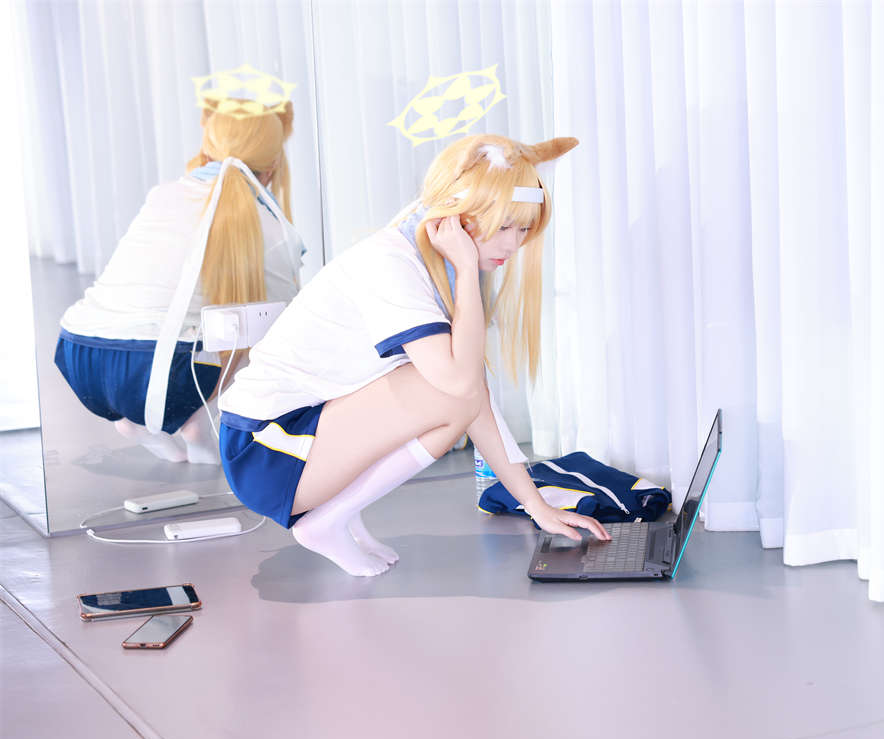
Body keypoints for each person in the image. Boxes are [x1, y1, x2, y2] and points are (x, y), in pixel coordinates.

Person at [217, 133, 609, 576]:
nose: (513, 245)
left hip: (299, 437)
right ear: (457, 218)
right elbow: (460, 386)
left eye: (523, 229)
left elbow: (475, 393)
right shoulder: (392, 264)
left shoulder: (425, 260)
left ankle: (337, 513)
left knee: (459, 389)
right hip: (264, 453)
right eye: (502, 227)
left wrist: (536, 505)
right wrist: (467, 270)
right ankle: (326, 521)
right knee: (451, 392)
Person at [54, 101, 304, 464]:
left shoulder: (163, 194)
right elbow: (286, 322)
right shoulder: (272, 229)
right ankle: (194, 418)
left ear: (206, 150)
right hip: (162, 373)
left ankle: (132, 420)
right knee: (263, 321)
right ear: (275, 163)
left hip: (79, 354)